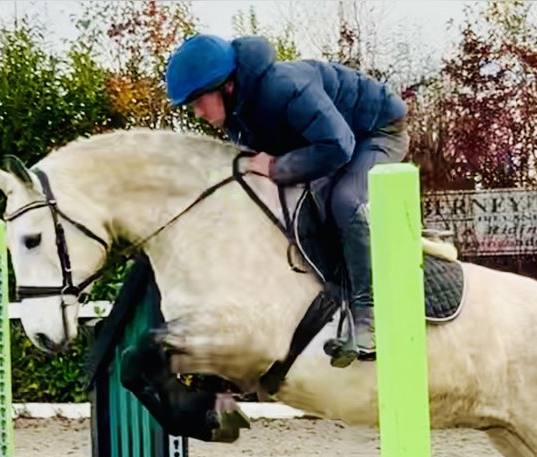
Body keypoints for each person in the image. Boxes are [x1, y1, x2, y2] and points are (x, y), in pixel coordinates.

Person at [165, 33, 409, 364]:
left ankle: (369, 320)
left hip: (376, 133)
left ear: (226, 86)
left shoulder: (284, 86)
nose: (197, 113)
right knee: (303, 208)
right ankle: (333, 302)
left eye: (197, 102)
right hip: (334, 141)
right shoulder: (237, 114)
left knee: (345, 200)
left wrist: (277, 166)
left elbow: (338, 146)